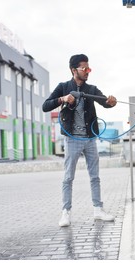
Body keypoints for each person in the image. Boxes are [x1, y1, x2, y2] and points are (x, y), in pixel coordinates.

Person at [42, 54, 117, 227]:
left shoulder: (91, 89)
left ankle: (98, 210)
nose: (87, 72)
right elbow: (46, 106)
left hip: (90, 139)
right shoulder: (63, 87)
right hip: (72, 139)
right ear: (73, 70)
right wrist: (62, 99)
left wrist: (111, 102)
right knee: (68, 177)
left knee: (95, 176)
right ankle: (65, 213)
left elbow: (105, 101)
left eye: (89, 68)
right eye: (84, 68)